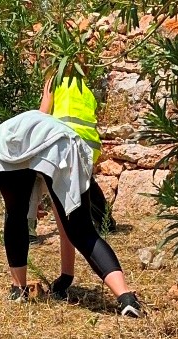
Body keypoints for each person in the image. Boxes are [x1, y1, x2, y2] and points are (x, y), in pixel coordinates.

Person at [0, 110, 142, 317]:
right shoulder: (62, 146)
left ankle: (18, 290)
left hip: (5, 143)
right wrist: (66, 277)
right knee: (81, 229)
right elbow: (68, 224)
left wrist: (66, 277)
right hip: (48, 144)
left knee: (16, 216)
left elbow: (60, 221)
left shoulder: (43, 142)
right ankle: (126, 298)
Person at [39, 70, 116, 233]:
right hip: (91, 143)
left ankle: (31, 227)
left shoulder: (54, 81)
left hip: (67, 139)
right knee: (85, 180)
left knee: (53, 177)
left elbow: (42, 114)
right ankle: (105, 222)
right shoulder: (85, 89)